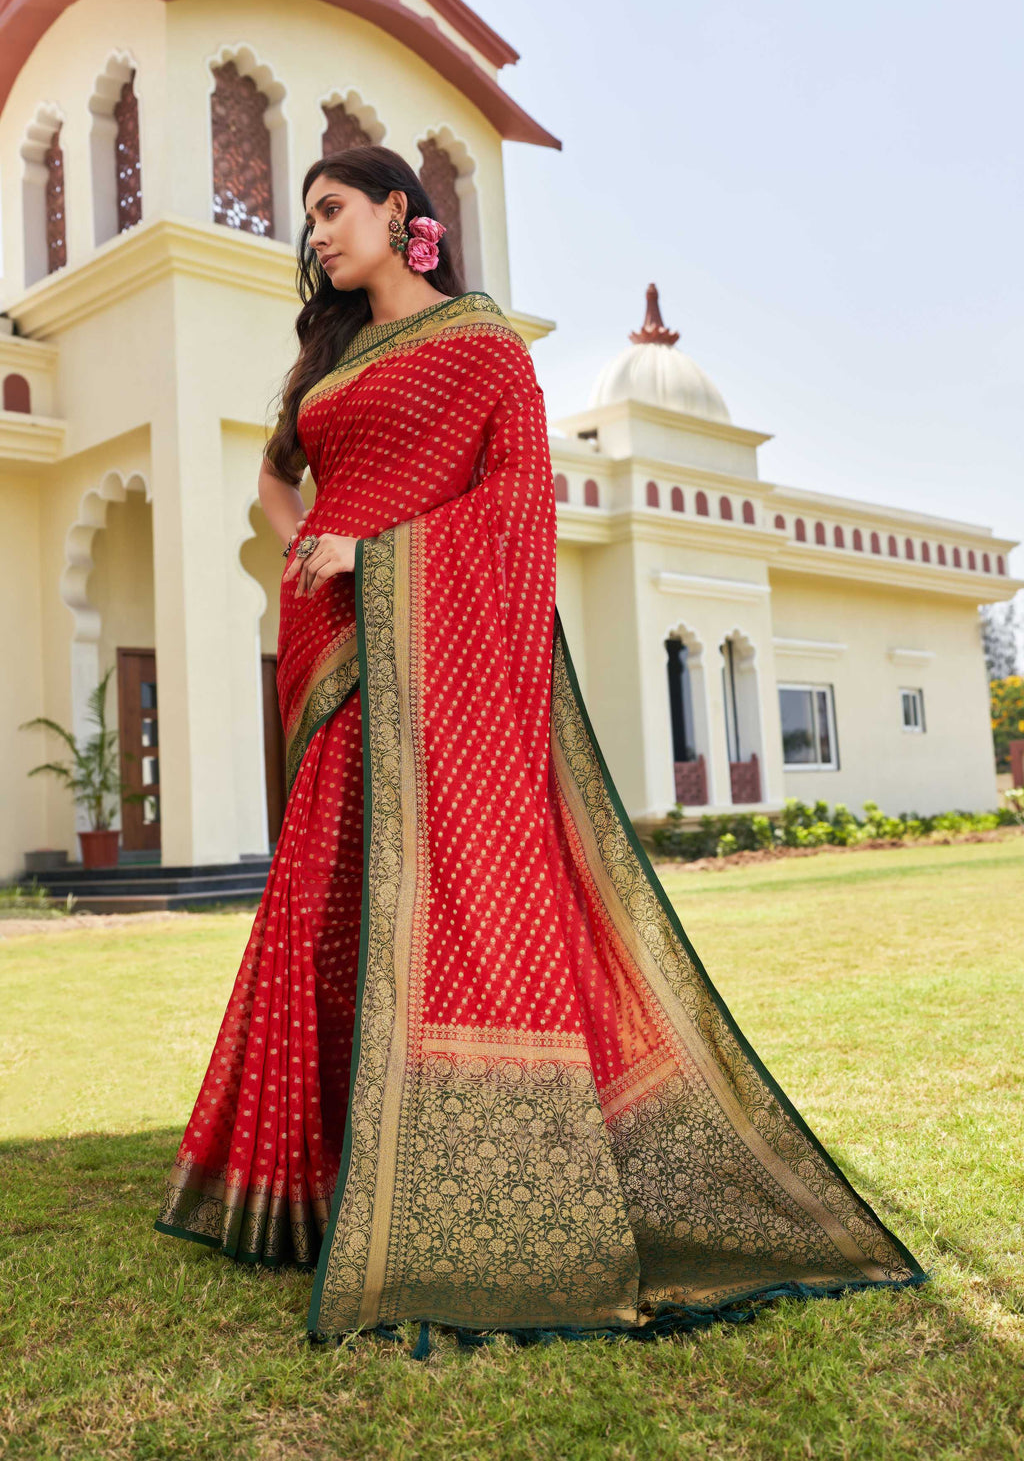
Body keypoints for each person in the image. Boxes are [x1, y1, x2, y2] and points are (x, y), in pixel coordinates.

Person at [154, 146, 926, 1348]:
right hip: (338, 651)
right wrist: (311, 538)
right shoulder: (330, 356)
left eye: (331, 209)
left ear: (399, 213)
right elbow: (275, 469)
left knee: (425, 900)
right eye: (307, 219)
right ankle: (310, 1190)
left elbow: (519, 504)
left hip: (421, 641)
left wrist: (373, 554)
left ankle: (446, 1188)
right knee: (323, 902)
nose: (315, 234)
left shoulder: (483, 348)